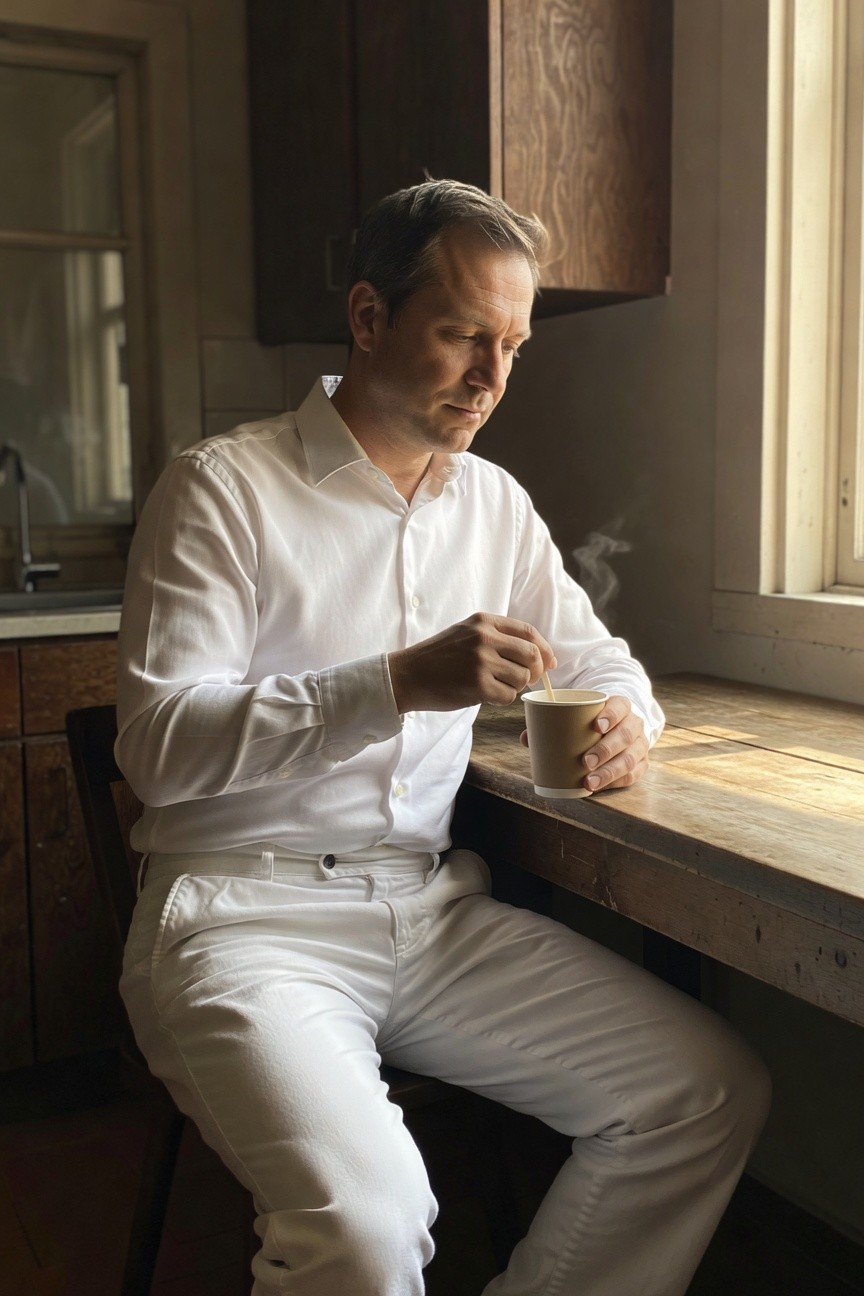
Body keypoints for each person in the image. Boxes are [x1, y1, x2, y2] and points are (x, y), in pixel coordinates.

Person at [116, 179, 770, 1296]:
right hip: (242, 920)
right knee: (371, 1230)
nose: (493, 377)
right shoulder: (223, 487)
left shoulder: (495, 505)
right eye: (467, 333)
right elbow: (160, 750)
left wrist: (628, 721)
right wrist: (395, 682)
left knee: (704, 1091)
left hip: (428, 915)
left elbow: (602, 658)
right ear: (369, 319)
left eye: (513, 346)